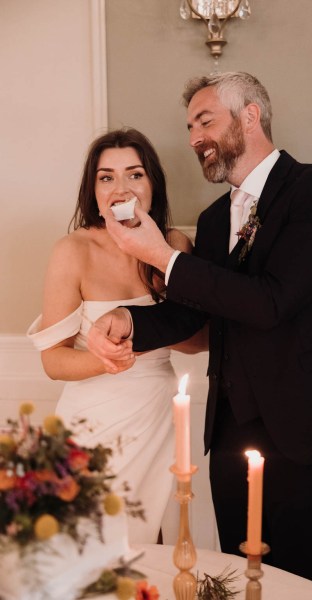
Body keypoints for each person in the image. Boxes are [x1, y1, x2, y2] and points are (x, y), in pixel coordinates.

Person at [86, 73, 312, 589]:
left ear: (250, 116)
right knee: (236, 578)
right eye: (189, 127)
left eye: (205, 121)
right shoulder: (211, 220)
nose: (192, 138)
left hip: (308, 430)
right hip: (230, 435)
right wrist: (128, 321)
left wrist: (161, 255)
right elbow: (192, 315)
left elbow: (272, 301)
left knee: (301, 582)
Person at [27, 128, 205, 545]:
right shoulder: (73, 250)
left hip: (158, 416)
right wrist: (104, 359)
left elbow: (200, 341)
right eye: (106, 177)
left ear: (152, 184)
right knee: (83, 544)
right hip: (91, 421)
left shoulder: (174, 245)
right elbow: (53, 361)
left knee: (152, 546)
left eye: (134, 174)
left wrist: (153, 259)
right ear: (93, 189)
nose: (120, 188)